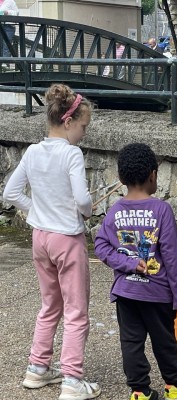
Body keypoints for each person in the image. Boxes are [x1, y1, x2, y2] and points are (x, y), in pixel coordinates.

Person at [3, 83, 101, 399]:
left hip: (40, 239)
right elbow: (83, 201)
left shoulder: (32, 151)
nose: (84, 133)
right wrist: (85, 213)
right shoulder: (72, 154)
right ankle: (72, 380)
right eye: (83, 126)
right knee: (76, 310)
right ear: (69, 122)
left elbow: (10, 193)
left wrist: (39, 210)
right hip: (66, 239)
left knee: (50, 305)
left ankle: (38, 368)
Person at [94, 143, 177, 400]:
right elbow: (171, 258)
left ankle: (139, 391)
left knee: (131, 343)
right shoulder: (162, 210)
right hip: (157, 293)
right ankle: (174, 386)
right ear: (153, 175)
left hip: (126, 292)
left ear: (120, 178)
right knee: (165, 341)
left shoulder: (115, 211)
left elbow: (100, 245)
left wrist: (127, 264)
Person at [0, 0, 19, 65]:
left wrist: (7, 12)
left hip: (8, 26)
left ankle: (5, 64)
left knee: (6, 45)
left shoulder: (10, 1)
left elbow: (16, 13)